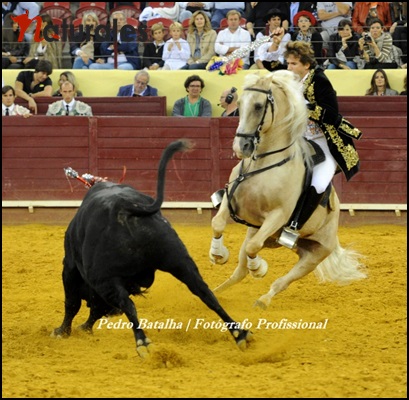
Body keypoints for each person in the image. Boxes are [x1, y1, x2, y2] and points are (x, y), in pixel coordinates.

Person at [278, 40, 362, 249]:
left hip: (325, 142)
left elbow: (332, 115)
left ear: (306, 65)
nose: (289, 68)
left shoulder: (320, 81)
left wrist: (304, 106)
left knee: (320, 182)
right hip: (299, 139)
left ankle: (294, 226)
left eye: (293, 64)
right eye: (288, 63)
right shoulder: (290, 81)